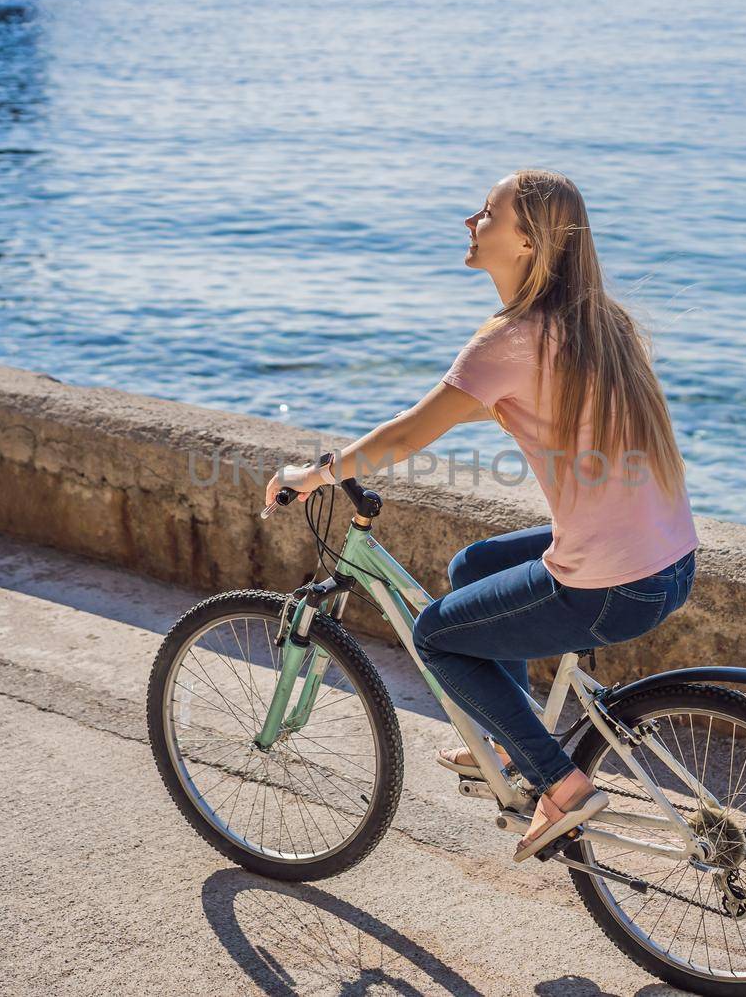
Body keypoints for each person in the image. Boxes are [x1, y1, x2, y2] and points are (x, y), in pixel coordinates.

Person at [264, 168, 700, 862]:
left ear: (527, 242)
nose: (471, 222)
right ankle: (507, 733)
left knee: (438, 638)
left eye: (487, 215)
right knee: (473, 567)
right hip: (671, 561)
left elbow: (406, 436)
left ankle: (561, 784)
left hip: (609, 583)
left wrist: (315, 473)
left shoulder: (512, 341)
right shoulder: (599, 321)